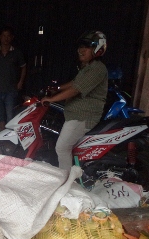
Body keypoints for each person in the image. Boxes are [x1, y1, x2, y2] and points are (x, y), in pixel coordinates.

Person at [41, 30, 108, 171]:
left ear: (97, 49)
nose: (81, 50)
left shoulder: (98, 69)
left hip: (83, 117)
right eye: (81, 47)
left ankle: (67, 181)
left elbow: (75, 89)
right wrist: (56, 88)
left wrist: (51, 99)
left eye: (87, 47)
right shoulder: (89, 68)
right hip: (75, 115)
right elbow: (73, 83)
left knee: (62, 148)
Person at [0, 25, 27, 132]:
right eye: (4, 36)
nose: (6, 38)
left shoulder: (17, 53)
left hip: (11, 90)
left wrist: (20, 82)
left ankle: (11, 140)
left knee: (11, 116)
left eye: (8, 36)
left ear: (12, 37)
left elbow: (23, 67)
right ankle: (3, 138)